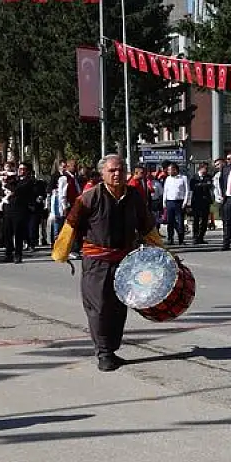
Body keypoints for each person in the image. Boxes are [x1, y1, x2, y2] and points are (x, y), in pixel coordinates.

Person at [51, 155, 164, 372]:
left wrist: (163, 253)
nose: (117, 174)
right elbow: (71, 224)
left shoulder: (134, 196)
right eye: (112, 170)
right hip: (97, 262)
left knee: (119, 307)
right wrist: (61, 252)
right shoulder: (89, 197)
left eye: (121, 169)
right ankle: (103, 352)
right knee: (99, 308)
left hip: (125, 261)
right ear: (102, 173)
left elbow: (147, 226)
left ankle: (111, 349)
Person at [0, 163, 37, 264]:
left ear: (28, 171)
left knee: (18, 233)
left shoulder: (29, 181)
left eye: (24, 169)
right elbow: (4, 188)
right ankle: (8, 254)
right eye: (20, 169)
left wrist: (6, 184)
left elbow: (17, 191)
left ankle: (18, 255)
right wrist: (4, 180)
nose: (21, 171)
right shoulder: (14, 179)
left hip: (20, 210)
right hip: (8, 209)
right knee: (7, 232)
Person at [161, 164, 191, 245]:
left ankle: (181, 239)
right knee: (170, 222)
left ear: (175, 170)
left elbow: (187, 191)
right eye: (168, 170)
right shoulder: (168, 178)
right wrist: (164, 202)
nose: (168, 171)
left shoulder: (183, 178)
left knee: (180, 222)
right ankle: (170, 239)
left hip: (179, 202)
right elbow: (165, 191)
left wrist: (185, 202)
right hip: (170, 202)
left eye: (170, 170)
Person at [189, 163, 214, 244]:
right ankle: (195, 237)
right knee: (196, 220)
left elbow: (210, 185)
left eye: (207, 169)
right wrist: (203, 185)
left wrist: (200, 185)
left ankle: (201, 237)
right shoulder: (194, 177)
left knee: (205, 220)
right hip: (196, 201)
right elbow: (192, 187)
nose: (206, 171)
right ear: (200, 168)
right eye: (205, 169)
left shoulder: (209, 177)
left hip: (206, 201)